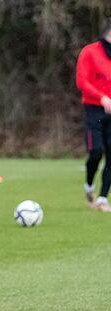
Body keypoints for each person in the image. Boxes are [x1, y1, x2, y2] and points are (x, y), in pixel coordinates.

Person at [76, 20, 111, 212]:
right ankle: (89, 186)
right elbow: (82, 81)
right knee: (96, 151)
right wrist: (102, 98)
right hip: (95, 111)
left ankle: (103, 199)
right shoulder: (89, 52)